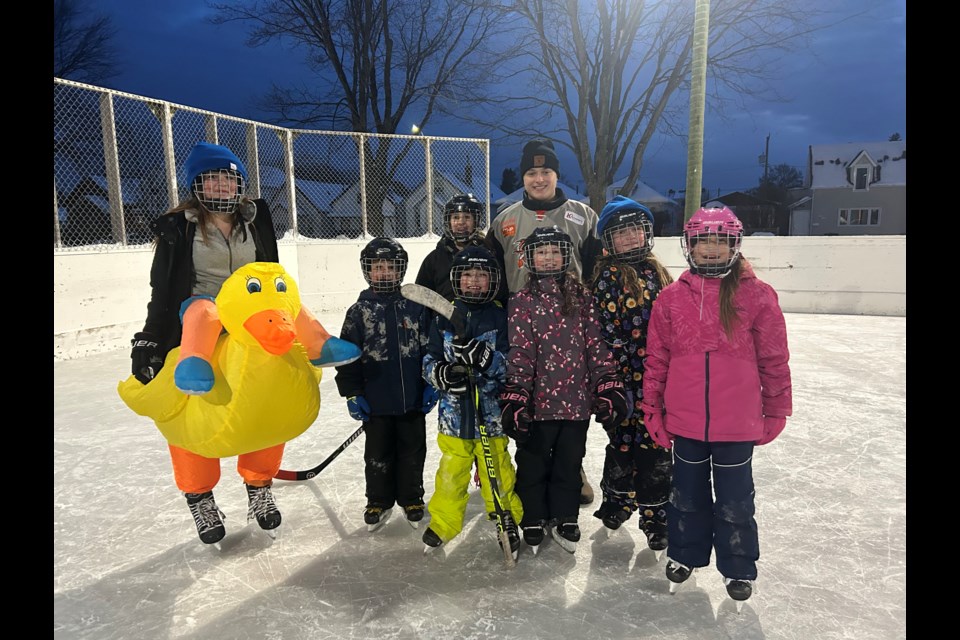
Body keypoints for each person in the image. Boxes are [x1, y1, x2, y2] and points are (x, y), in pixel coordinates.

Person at [129, 141, 284, 545]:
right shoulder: (178, 229)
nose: (221, 186)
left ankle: (259, 484)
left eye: (228, 178)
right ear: (195, 186)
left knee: (268, 405)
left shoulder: (257, 220)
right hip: (197, 328)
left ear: (240, 184)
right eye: (211, 179)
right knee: (191, 413)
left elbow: (271, 274)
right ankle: (199, 496)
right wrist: (149, 338)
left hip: (248, 327)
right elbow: (161, 290)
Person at [641, 206, 792, 603]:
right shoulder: (671, 299)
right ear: (688, 246)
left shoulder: (758, 296)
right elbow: (656, 359)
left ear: (734, 246)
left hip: (737, 423)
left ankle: (738, 566)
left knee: (735, 500)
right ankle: (684, 554)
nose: (710, 249)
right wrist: (652, 409)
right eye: (702, 241)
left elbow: (774, 358)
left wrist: (776, 408)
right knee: (686, 495)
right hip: (686, 421)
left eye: (719, 241)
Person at [499, 226, 629, 554]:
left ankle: (565, 515)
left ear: (566, 255)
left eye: (555, 251)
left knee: (569, 464)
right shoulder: (521, 301)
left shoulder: (583, 297)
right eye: (541, 252)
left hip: (575, 404)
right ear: (529, 258)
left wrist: (606, 384)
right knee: (532, 464)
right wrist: (516, 395)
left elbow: (596, 347)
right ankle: (533, 515)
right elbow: (520, 353)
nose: (548, 258)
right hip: (538, 406)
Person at [486, 137, 600, 505]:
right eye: (531, 172)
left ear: (556, 174)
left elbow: (597, 271)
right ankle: (531, 468)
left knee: (569, 404)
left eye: (545, 171)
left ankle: (573, 468)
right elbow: (489, 273)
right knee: (527, 400)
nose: (538, 179)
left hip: (569, 326)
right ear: (524, 177)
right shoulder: (504, 219)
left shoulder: (583, 216)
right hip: (521, 325)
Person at [420, 246, 523, 559]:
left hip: (491, 414)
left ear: (493, 279)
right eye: (467, 274)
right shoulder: (444, 316)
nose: (474, 281)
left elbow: (510, 365)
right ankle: (445, 521)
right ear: (456, 279)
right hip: (454, 416)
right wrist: (442, 373)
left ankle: (507, 518)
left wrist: (486, 358)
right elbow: (429, 359)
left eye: (481, 274)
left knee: (499, 469)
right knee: (451, 472)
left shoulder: (500, 316)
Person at [334, 237, 440, 531]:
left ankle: (411, 497)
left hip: (412, 400)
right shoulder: (359, 312)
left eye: (390, 267)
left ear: (401, 270)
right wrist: (352, 393)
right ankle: (378, 499)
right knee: (377, 454)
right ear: (367, 271)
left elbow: (429, 348)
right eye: (377, 267)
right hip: (377, 402)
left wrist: (431, 383)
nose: (384, 273)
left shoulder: (416, 308)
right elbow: (347, 357)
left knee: (412, 450)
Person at [589, 196, 674, 554]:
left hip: (658, 379)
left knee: (656, 447)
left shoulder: (659, 273)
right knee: (622, 442)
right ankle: (618, 501)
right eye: (619, 233)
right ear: (608, 240)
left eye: (634, 230)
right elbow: (602, 332)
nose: (628, 238)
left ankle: (656, 515)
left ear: (646, 233)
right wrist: (611, 378)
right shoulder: (606, 276)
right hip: (622, 380)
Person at [415, 193, 489, 301]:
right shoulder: (435, 259)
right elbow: (420, 297)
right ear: (448, 222)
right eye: (455, 217)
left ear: (476, 221)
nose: (461, 222)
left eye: (467, 217)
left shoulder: (488, 255)